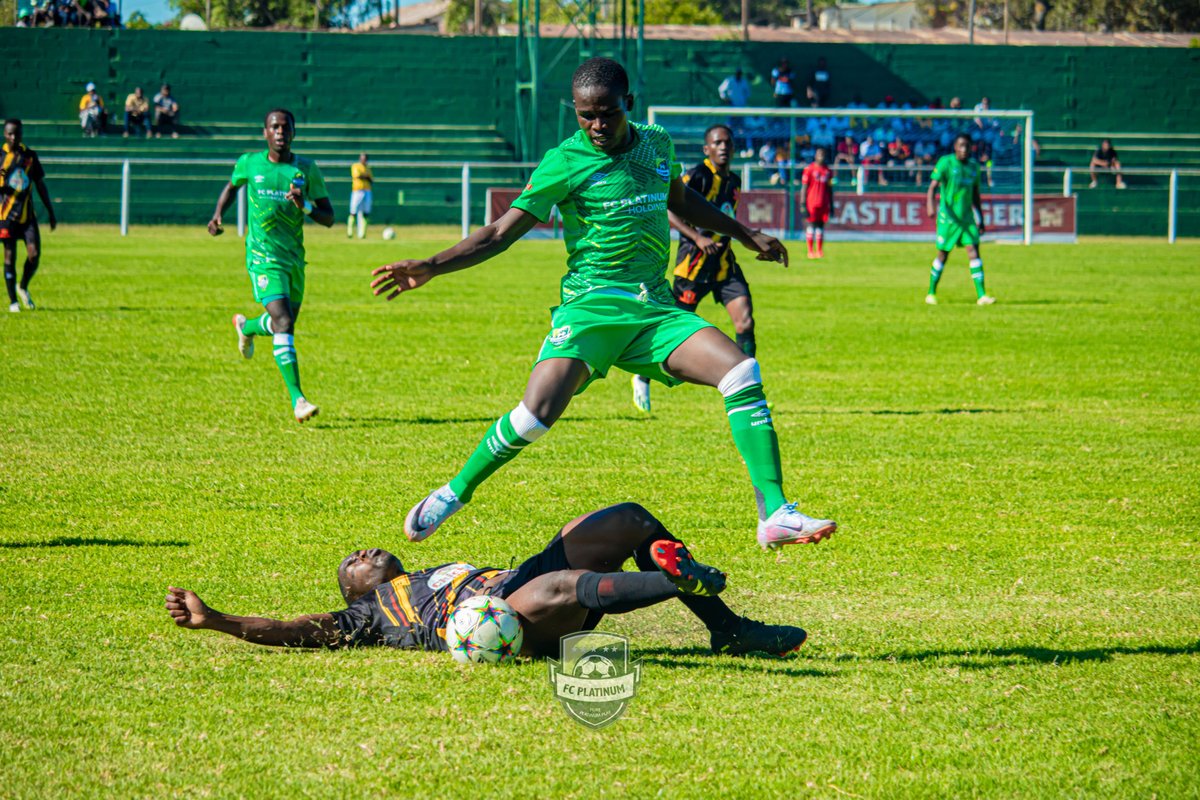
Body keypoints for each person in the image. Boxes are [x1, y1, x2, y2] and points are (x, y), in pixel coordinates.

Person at [370, 58, 836, 552]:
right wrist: (433, 265)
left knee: (741, 372)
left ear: (628, 105)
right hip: (590, 308)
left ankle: (775, 513)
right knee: (535, 416)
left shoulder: (656, 143)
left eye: (607, 114)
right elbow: (501, 232)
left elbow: (679, 199)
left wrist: (744, 233)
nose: (596, 126)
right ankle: (454, 491)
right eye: (585, 115)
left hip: (653, 310)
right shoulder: (564, 161)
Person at [165, 502, 810, 658]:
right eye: (351, 564)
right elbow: (297, 629)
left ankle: (726, 629)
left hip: (509, 580)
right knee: (560, 589)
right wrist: (217, 619)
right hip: (496, 623)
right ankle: (680, 585)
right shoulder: (370, 616)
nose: (362, 553)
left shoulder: (427, 570)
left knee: (626, 520)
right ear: (356, 591)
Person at [207, 109, 335, 423]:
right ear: (265, 132)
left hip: (293, 258)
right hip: (263, 257)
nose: (280, 132)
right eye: (274, 127)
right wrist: (217, 215)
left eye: (285, 127)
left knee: (281, 323)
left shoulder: (305, 169)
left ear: (294, 132)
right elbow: (232, 187)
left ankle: (246, 327)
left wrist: (304, 205)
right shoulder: (249, 163)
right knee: (284, 322)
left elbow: (329, 217)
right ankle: (299, 399)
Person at [631, 124, 759, 413]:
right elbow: (669, 208)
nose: (724, 147)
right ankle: (643, 374)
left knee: (745, 322)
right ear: (707, 149)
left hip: (725, 265)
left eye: (728, 142)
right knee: (675, 333)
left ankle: (750, 389)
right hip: (693, 267)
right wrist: (698, 238)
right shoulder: (696, 176)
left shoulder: (734, 180)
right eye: (718, 143)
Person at [925, 132, 994, 306]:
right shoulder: (946, 163)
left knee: (974, 251)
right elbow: (933, 187)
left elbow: (975, 195)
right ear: (955, 147)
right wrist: (930, 206)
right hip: (948, 219)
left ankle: (982, 295)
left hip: (967, 219)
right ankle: (931, 292)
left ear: (971, 148)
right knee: (943, 254)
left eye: (967, 146)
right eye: (961, 145)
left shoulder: (973, 167)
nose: (964, 149)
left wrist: (981, 218)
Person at [1, 120, 56, 314]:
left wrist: (50, 210)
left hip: (27, 216)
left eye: (17, 134)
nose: (14, 138)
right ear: (5, 135)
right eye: (10, 134)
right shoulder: (1, 157)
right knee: (9, 255)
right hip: (6, 216)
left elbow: (40, 184)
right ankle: (13, 302)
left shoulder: (30, 157)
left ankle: (22, 285)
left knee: (34, 255)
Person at [801, 146, 833, 260]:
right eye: (819, 154)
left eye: (823, 155)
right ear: (815, 156)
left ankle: (819, 251)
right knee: (811, 226)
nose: (821, 157)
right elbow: (804, 188)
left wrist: (831, 205)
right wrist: (803, 204)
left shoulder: (828, 171)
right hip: (812, 202)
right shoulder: (809, 169)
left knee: (820, 227)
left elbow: (830, 189)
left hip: (824, 202)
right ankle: (810, 251)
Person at [346, 152, 373, 239]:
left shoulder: (368, 168)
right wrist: (365, 176)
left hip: (367, 191)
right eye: (362, 158)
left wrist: (365, 176)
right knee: (353, 212)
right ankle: (350, 232)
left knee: (366, 212)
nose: (363, 160)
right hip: (357, 191)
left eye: (365, 158)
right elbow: (357, 176)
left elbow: (371, 179)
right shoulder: (355, 166)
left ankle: (362, 234)